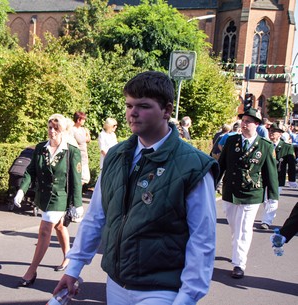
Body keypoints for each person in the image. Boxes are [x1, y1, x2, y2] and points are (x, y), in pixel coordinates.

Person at [53, 71, 218, 304]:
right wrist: (74, 268)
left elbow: (202, 237)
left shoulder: (193, 165)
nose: (133, 113)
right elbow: (96, 216)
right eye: (129, 105)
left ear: (167, 110)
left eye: (143, 106)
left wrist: (188, 296)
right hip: (117, 283)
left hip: (162, 289)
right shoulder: (116, 156)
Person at [14, 113, 83, 287]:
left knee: (45, 229)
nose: (51, 131)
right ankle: (68, 256)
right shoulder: (40, 148)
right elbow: (31, 171)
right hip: (44, 197)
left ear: (63, 130)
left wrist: (78, 204)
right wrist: (22, 190)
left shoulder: (71, 152)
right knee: (59, 226)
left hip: (60, 197)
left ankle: (31, 271)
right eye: (49, 128)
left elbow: (75, 179)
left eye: (56, 128)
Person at [218, 107, 278, 279]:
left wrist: (272, 197)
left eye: (248, 122)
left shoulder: (265, 146)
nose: (243, 125)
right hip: (230, 191)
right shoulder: (231, 141)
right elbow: (221, 165)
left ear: (256, 124)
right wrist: (211, 183)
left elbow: (270, 173)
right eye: (243, 121)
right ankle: (238, 252)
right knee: (234, 226)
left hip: (251, 193)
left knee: (244, 228)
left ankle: (239, 263)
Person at [259, 122, 297, 230]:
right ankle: (269, 214)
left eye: (274, 132)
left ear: (280, 134)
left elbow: (291, 164)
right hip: (264, 176)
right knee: (266, 200)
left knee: (273, 199)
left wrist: (292, 179)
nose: (271, 133)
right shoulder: (264, 144)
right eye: (270, 131)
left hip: (278, 178)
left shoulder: (286, 147)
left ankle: (266, 221)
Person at [71, 111, 91, 185]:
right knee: (81, 177)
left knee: (86, 178)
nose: (84, 121)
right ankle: (76, 191)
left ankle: (77, 190)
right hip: (77, 156)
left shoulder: (82, 129)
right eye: (83, 119)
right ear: (78, 119)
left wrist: (87, 133)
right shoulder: (72, 130)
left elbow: (87, 140)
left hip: (84, 155)